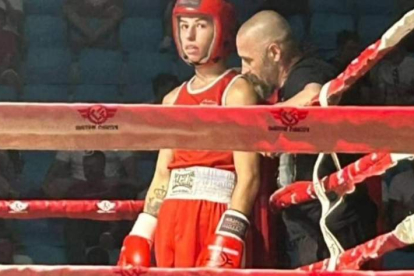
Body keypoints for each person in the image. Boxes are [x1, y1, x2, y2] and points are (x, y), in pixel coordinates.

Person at [118, 0, 261, 268]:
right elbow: (162, 174)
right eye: (183, 26)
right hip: (172, 215)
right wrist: (141, 231)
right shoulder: (172, 100)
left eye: (200, 25)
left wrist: (230, 234)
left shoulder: (237, 92)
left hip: (215, 214)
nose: (190, 36)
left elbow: (250, 175)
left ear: (222, 29)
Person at [236, 10, 377, 268]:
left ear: (274, 53)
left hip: (330, 220)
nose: (245, 70)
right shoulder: (293, 80)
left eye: (248, 60)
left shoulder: (305, 72)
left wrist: (266, 132)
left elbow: (312, 95)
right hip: (316, 219)